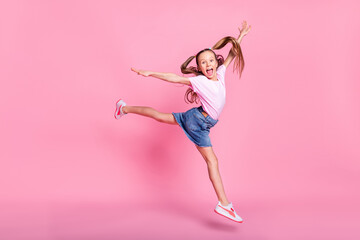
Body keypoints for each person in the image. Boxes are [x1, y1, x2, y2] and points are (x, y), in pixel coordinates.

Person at [114, 21, 251, 223]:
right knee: (212, 161)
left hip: (196, 118)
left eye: (210, 61)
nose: (208, 65)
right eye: (203, 63)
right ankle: (224, 204)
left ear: (216, 62)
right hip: (198, 123)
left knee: (159, 116)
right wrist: (150, 73)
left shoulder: (220, 74)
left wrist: (240, 37)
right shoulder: (199, 81)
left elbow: (232, 54)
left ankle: (123, 108)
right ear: (199, 68)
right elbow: (174, 78)